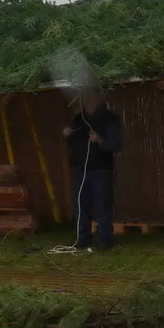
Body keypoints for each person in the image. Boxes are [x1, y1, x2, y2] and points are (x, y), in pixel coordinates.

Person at [62, 88, 123, 252]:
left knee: (102, 206)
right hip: (80, 170)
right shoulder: (79, 119)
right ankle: (82, 239)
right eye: (85, 98)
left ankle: (105, 241)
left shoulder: (110, 119)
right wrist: (67, 135)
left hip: (100, 170)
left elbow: (116, 144)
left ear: (99, 98)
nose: (87, 101)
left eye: (90, 97)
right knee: (81, 206)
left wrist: (100, 140)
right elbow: (72, 141)